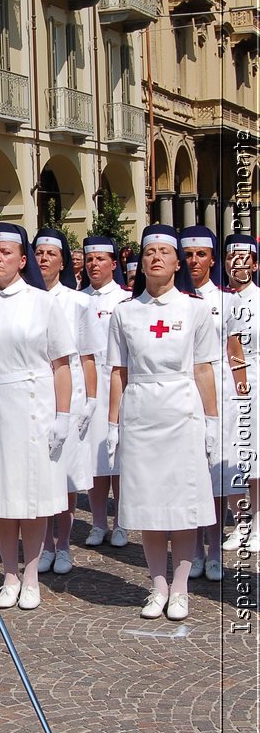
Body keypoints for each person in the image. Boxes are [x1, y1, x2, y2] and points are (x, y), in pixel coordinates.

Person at [107, 225, 219, 621]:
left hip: (182, 409)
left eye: (163, 252)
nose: (156, 257)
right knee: (150, 503)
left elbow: (203, 368)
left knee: (184, 503)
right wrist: (112, 424)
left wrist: (212, 421)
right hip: (141, 411)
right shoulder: (124, 312)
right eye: (149, 251)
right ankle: (157, 586)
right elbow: (118, 372)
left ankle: (182, 589)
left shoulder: (195, 309)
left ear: (176, 263)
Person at [0, 222, 74, 611]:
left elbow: (62, 364)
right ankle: (8, 572)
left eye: (5, 252)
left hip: (34, 403)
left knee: (32, 494)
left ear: (22, 259)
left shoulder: (43, 303)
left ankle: (31, 575)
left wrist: (64, 416)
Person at [33, 229, 105, 576]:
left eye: (50, 253)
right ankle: (44, 543)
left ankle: (63, 544)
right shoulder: (28, 299)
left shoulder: (79, 302)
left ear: (63, 262)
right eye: (39, 252)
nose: (43, 258)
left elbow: (88, 355)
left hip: (71, 391)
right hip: (37, 391)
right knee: (43, 472)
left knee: (65, 475)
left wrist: (91, 400)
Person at [181, 226, 239, 580]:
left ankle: (214, 548)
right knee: (191, 476)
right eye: (188, 255)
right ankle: (194, 551)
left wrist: (242, 396)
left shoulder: (227, 301)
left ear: (213, 259)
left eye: (201, 255)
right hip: (184, 392)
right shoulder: (178, 302)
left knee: (215, 477)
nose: (194, 262)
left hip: (219, 392)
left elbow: (236, 353)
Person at [81, 236, 130, 548]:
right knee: (95, 458)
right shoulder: (79, 298)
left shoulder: (125, 299)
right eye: (89, 260)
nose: (94, 265)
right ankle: (98, 521)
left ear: (114, 263)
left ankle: (122, 521)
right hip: (89, 383)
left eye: (100, 259)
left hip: (118, 379)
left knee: (120, 458)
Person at [223, 233, 259, 553]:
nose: (236, 264)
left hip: (255, 378)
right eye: (231, 258)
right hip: (225, 382)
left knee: (255, 457)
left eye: (243, 259)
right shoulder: (220, 302)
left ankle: (258, 523)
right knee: (231, 457)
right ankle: (240, 522)